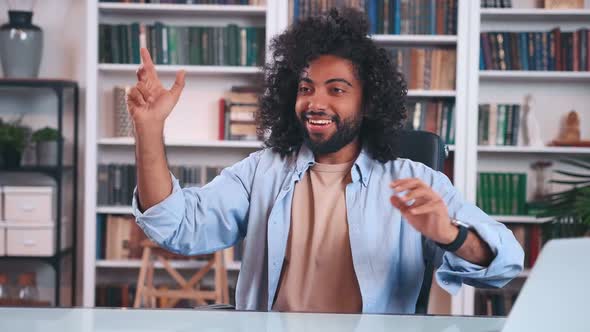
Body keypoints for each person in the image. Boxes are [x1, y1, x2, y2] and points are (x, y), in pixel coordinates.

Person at [127, 8, 524, 314]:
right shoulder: (261, 172)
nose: (317, 103)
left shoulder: (416, 181)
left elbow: (505, 263)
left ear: (367, 103)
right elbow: (176, 226)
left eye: (337, 90)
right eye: (306, 88)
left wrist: (450, 234)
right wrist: (148, 130)